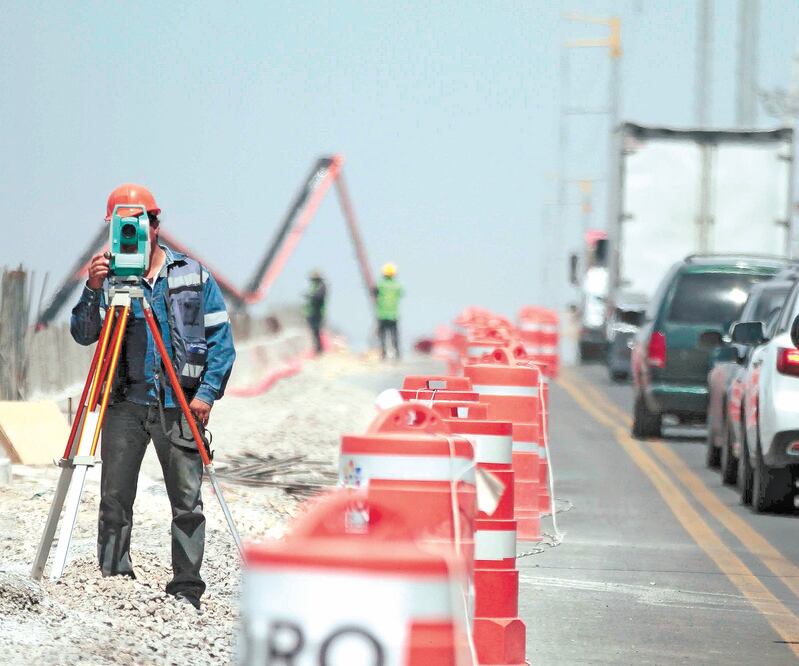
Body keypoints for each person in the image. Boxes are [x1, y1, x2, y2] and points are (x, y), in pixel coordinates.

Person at [71, 183, 236, 611]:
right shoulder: (108, 281)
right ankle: (114, 576)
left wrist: (207, 396)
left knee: (186, 502)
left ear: (155, 224)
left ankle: (186, 587)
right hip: (124, 404)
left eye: (136, 223)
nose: (129, 233)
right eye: (121, 226)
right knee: (114, 496)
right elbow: (83, 333)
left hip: (178, 403)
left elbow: (222, 342)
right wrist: (92, 289)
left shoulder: (192, 275)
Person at [374, 262, 403, 360]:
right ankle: (397, 354)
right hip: (394, 314)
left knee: (383, 336)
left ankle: (384, 354)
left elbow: (374, 292)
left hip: (382, 314)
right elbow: (401, 294)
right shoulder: (397, 285)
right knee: (394, 335)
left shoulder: (381, 284)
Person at [304, 270, 327, 355]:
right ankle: (317, 348)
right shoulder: (315, 286)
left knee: (316, 330)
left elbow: (318, 296)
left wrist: (310, 296)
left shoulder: (321, 286)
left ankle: (319, 349)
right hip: (312, 311)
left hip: (317, 312)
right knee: (313, 331)